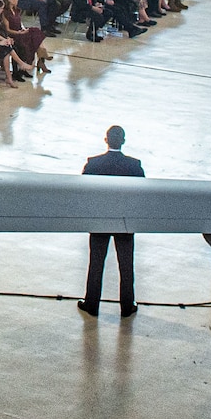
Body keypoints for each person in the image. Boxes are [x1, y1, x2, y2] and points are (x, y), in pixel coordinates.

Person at [78, 126, 144, 318]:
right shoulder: (134, 166)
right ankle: (126, 305)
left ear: (105, 140)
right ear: (123, 141)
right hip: (124, 221)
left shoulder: (93, 164)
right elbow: (141, 194)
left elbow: (84, 193)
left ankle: (91, 303)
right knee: (126, 264)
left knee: (96, 263)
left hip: (100, 220)